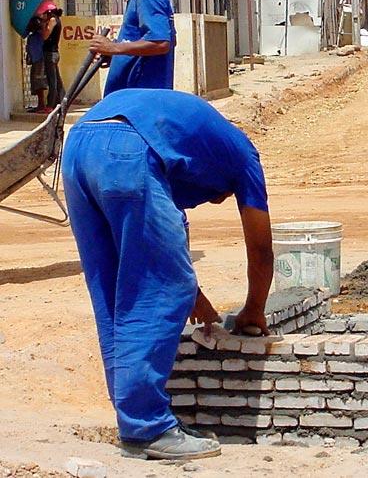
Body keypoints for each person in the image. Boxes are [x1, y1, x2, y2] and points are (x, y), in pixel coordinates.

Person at [61, 88, 274, 461]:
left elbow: (172, 233)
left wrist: (198, 298)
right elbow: (260, 247)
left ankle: (135, 417)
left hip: (79, 144)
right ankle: (148, 427)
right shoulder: (244, 158)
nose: (214, 201)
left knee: (113, 287)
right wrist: (254, 309)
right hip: (128, 147)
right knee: (160, 287)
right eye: (220, 197)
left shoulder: (186, 145)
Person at [38, 0, 65, 109]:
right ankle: (62, 101)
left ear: (49, 12)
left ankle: (51, 104)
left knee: (52, 81)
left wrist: (43, 25)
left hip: (50, 54)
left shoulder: (53, 20)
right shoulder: (56, 19)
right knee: (57, 80)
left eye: (44, 13)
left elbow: (45, 36)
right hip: (53, 53)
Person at [24, 15, 48, 113]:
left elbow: (31, 50)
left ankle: (41, 105)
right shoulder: (40, 36)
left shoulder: (34, 37)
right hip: (40, 60)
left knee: (38, 83)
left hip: (38, 61)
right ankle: (41, 104)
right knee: (39, 83)